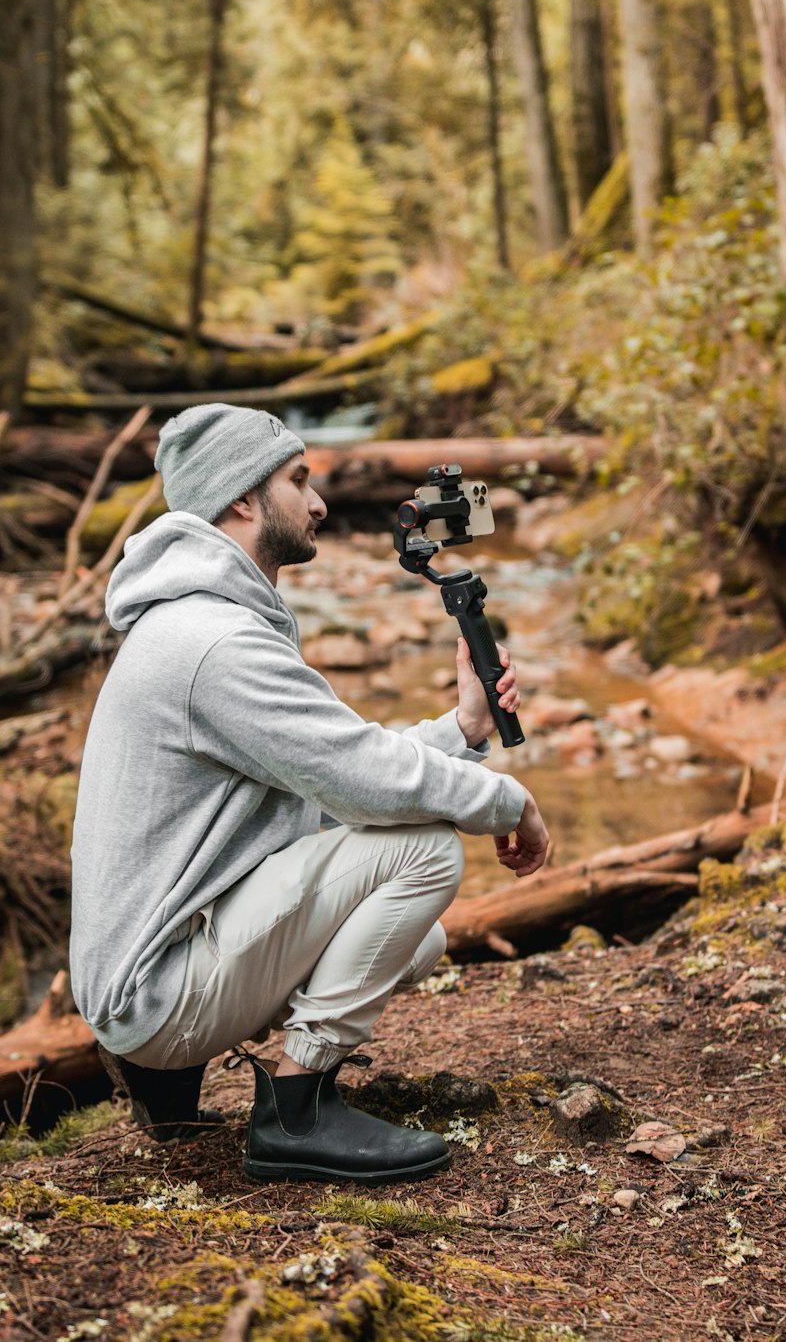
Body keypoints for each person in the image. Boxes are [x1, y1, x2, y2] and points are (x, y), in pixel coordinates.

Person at [69, 404, 550, 1185]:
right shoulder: (214, 645)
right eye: (298, 481)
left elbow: (330, 778)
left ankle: (168, 1084)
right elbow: (362, 780)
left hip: (151, 957)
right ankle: (296, 1110)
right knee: (421, 851)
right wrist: (507, 800)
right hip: (151, 988)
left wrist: (463, 729)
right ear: (241, 500)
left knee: (412, 941)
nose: (319, 502)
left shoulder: (202, 623)